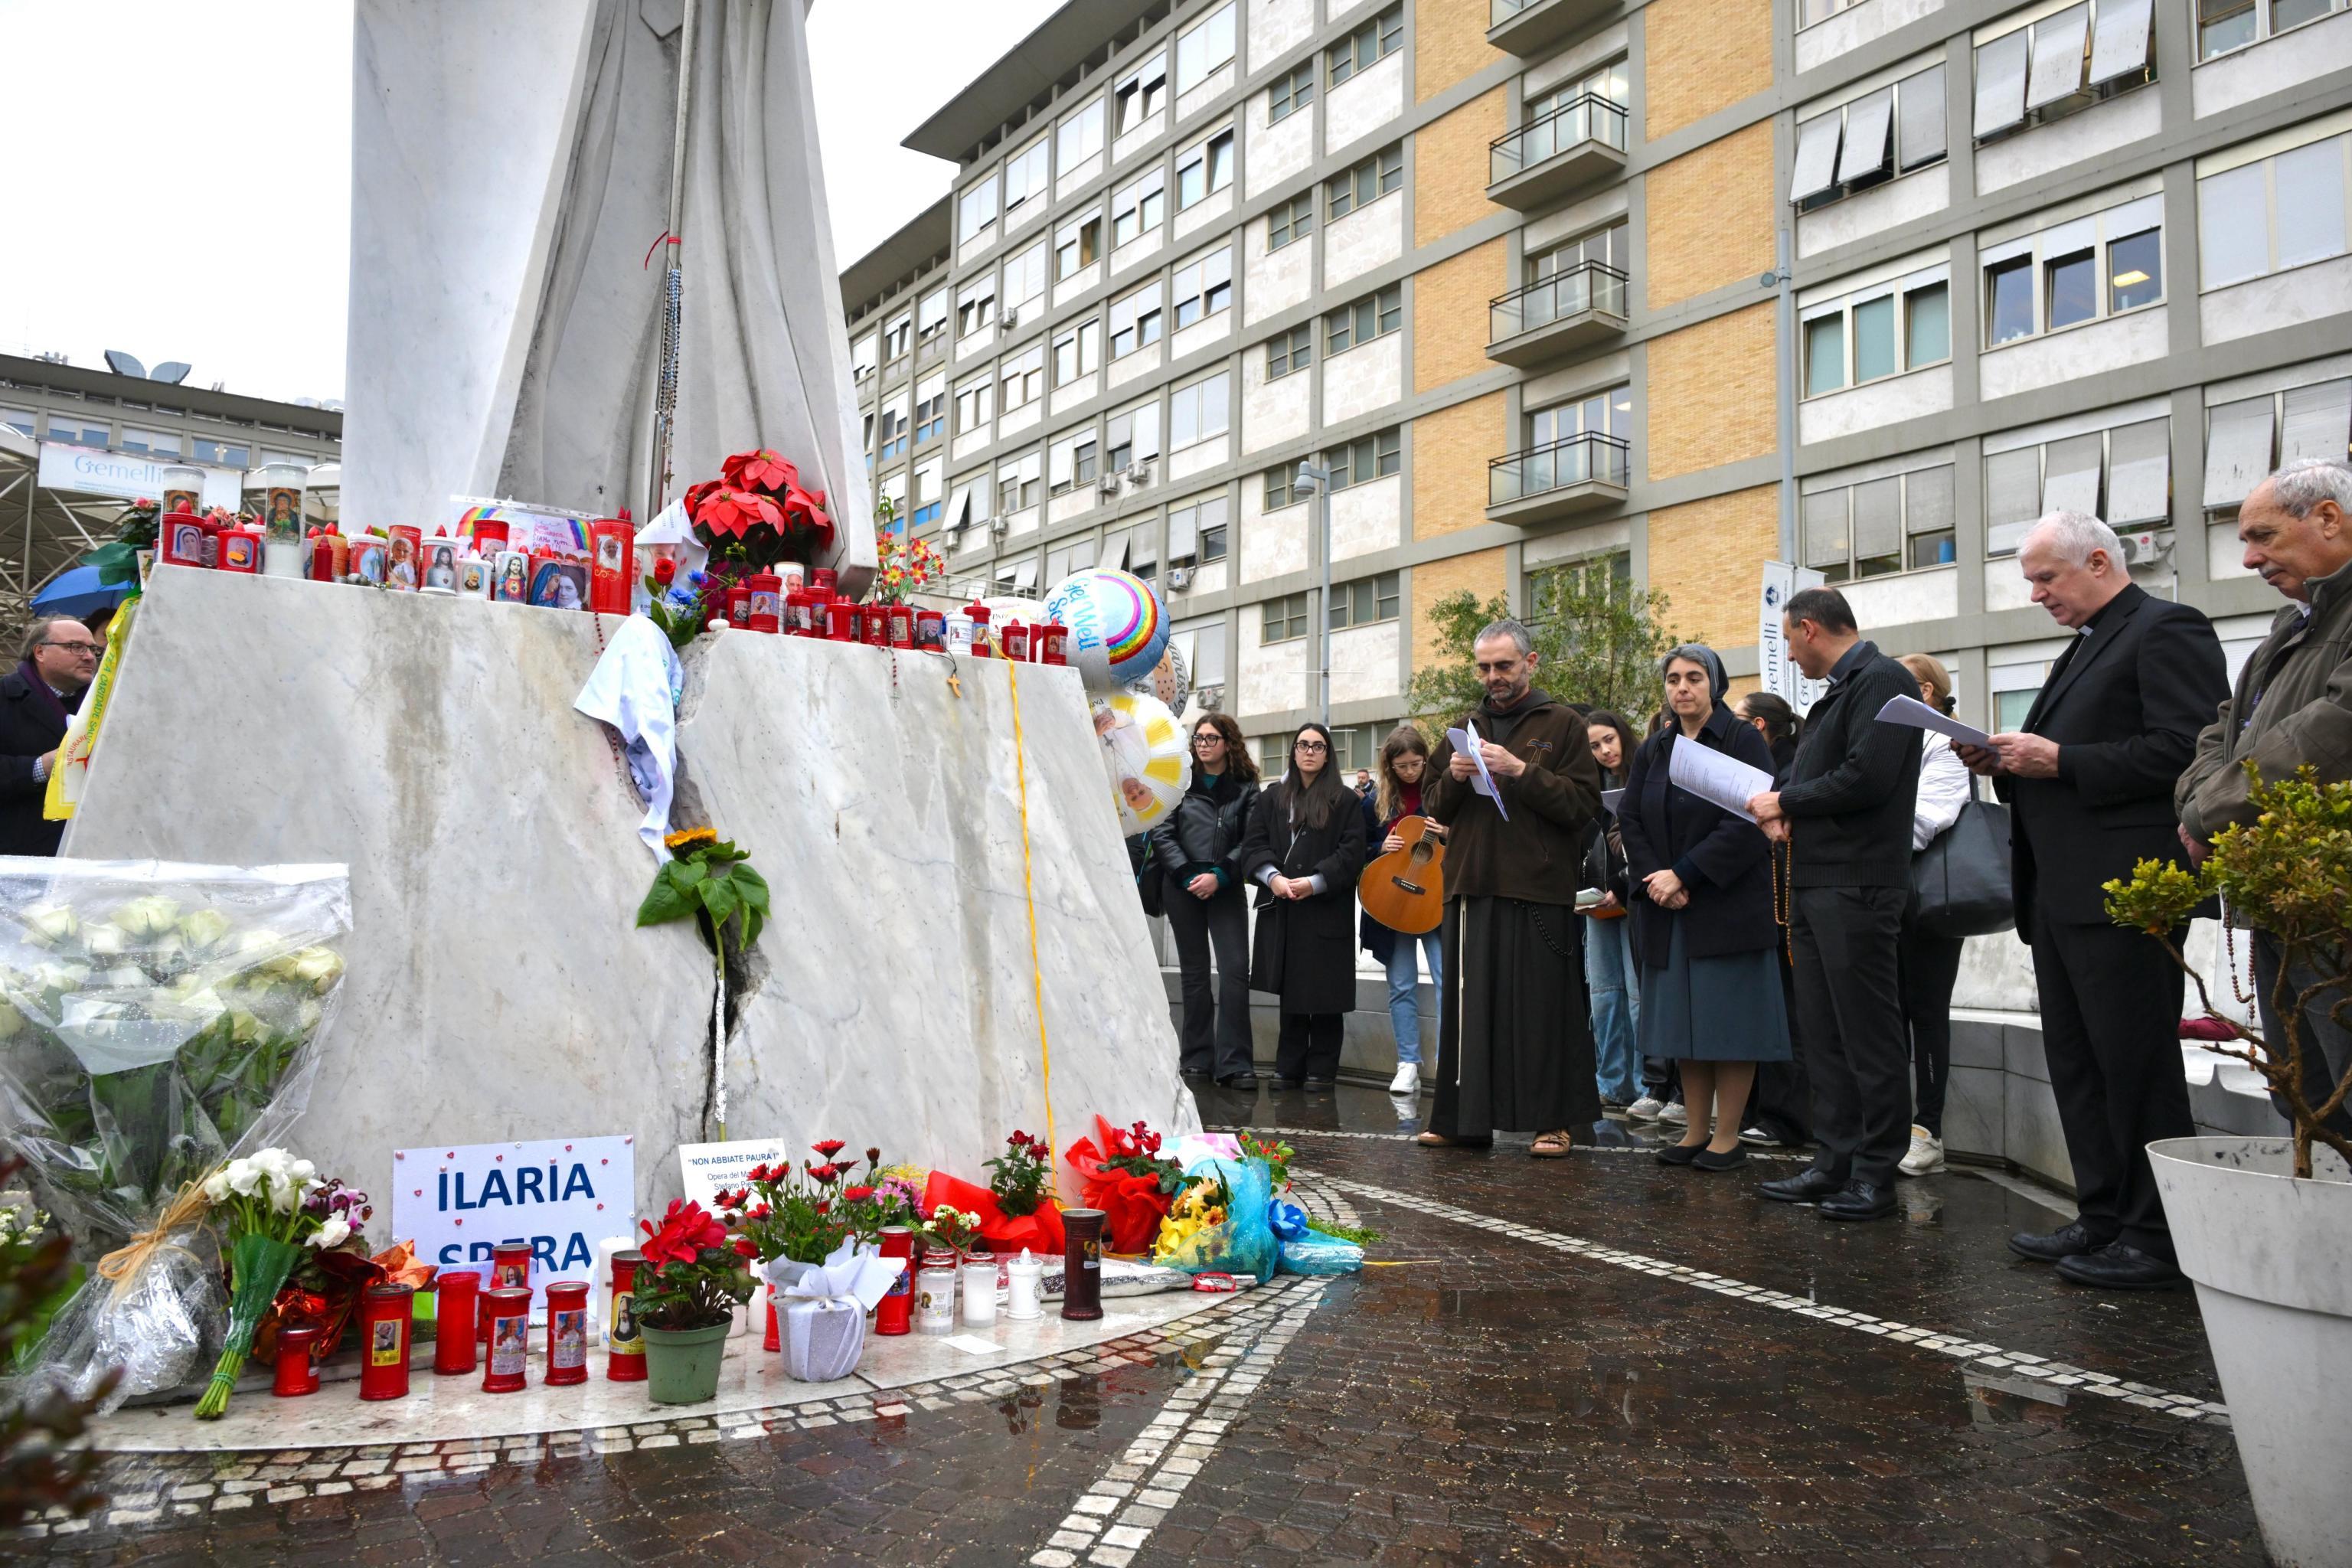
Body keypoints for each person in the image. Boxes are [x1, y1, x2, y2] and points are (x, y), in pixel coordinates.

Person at [1958, 511, 2226, 1289]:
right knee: (2078, 1064)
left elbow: (2186, 750)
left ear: (2101, 560)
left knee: (2134, 1063)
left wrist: (2062, 757)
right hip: (2060, 890)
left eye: (2047, 577)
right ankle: (2103, 1212)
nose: (2037, 593)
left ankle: (2154, 1237)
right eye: (2031, 581)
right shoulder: (2084, 645)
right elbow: (2058, 764)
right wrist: (2001, 759)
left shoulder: (2167, 628)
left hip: (2125, 889)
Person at [2177, 460, 2352, 1139]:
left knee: (2339, 1093)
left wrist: (2206, 812)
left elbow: (2328, 735)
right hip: (2283, 899)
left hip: (2331, 904)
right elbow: (2222, 729)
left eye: (2263, 536)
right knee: (2302, 1093)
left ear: (2329, 519)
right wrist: (2200, 804)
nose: (2249, 557)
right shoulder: (2290, 626)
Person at [1748, 587, 1921, 1220]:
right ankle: (1834, 1161)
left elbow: (1867, 776)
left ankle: (1876, 1174)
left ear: (1810, 628)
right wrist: (1785, 807)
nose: (1790, 657)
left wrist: (1786, 804)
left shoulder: (1882, 679)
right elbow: (1820, 780)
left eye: (1791, 643)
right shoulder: (1838, 693)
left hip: (1859, 884)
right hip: (1817, 880)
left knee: (1866, 1034)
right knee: (1823, 1034)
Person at [1416, 619, 1604, 1156]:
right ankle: (1461, 1121)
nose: (1493, 676)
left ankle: (1554, 1121)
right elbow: (1432, 804)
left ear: (1531, 662)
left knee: (1544, 1011)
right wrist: (1452, 775)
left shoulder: (1563, 724)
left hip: (1538, 886)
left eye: (1504, 665)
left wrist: (1521, 770)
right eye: (1484, 667)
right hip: (1472, 884)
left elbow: (1582, 805)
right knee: (1467, 1015)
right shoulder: (1464, 725)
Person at [1620, 645, 1792, 1171]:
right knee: (1684, 1028)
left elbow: (1748, 821)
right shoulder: (1657, 747)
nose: (1682, 688)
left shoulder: (1742, 741)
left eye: (1694, 678)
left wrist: (1685, 873)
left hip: (1726, 905)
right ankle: (1694, 1132)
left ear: (1713, 684)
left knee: (1729, 1026)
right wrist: (1657, 879)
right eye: (1673, 679)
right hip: (1668, 906)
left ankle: (1727, 1136)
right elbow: (1630, 816)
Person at [1239, 722, 1367, 1089]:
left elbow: (1352, 852)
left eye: (1318, 746)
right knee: (1292, 988)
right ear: (1294, 752)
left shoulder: (1345, 801)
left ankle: (1322, 1068)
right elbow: (1254, 845)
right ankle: (1288, 1064)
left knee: (1326, 990)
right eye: (1302, 745)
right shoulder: (1272, 797)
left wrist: (1315, 882)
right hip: (1284, 905)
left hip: (1325, 905)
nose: (1309, 752)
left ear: (1328, 755)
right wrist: (1272, 877)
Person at [1149, 714, 1263, 1089]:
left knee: (1234, 972)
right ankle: (1196, 1057)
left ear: (1228, 743)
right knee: (1194, 974)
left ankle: (1235, 1062)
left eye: (1211, 738)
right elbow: (1162, 830)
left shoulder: (1247, 786)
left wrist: (1220, 875)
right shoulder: (1180, 779)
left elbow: (1252, 839)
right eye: (1198, 738)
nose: (1202, 744)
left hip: (1225, 885)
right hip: (1182, 886)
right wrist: (1186, 876)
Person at [1895, 654, 1973, 1177]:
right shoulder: (1900, 744)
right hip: (1893, 896)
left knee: (1926, 1013)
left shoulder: (1946, 744)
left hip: (1933, 901)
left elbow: (1928, 818)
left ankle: (1929, 1131)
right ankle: (1896, 1125)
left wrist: (1866, 842)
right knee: (1891, 1013)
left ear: (1924, 692)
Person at [1733, 689, 1810, 1148]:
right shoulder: (1768, 766)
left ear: (1758, 726)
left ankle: (1787, 1119)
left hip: (1787, 912)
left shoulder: (1786, 770)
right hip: (1772, 909)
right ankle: (1762, 1111)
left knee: (1791, 1016)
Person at [1360, 724, 1445, 1096]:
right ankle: (1407, 1064)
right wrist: (1381, 846)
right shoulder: (1375, 803)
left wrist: (1447, 832)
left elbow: (1471, 841)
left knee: (1447, 981)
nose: (1411, 772)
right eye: (1402, 766)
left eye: (1416, 764)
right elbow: (1356, 850)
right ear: (1389, 766)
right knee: (1401, 985)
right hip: (1393, 902)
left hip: (1434, 900)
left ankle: (1450, 1063)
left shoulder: (1443, 797)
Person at [1580, 710, 1644, 1109]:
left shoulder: (1644, 773)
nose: (1604, 751)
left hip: (1635, 898)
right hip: (1596, 902)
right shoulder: (1587, 786)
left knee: (1638, 995)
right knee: (1604, 993)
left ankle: (1645, 1084)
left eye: (1609, 740)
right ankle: (1612, 1082)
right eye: (1595, 745)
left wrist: (1621, 888)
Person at [0, 619, 97, 858]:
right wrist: (40, 767)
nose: (89, 657)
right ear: (40, 652)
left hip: (89, 851)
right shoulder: (4, 696)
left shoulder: (106, 703)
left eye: (94, 649)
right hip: (18, 856)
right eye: (75, 647)